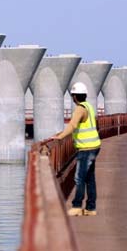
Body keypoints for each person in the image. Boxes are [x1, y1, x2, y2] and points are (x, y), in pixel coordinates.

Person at [52, 82, 101, 216]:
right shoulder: (89, 106)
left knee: (79, 178)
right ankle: (91, 208)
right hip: (95, 145)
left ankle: (77, 206)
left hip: (86, 148)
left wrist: (61, 136)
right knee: (89, 178)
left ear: (74, 96)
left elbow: (73, 125)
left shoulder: (79, 109)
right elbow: (96, 124)